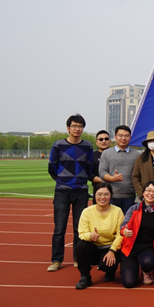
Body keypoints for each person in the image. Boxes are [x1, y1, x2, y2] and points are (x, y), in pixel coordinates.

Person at [47, 114, 94, 272]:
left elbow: (89, 168)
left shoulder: (87, 147)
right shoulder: (58, 145)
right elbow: (52, 167)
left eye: (80, 126)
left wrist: (80, 180)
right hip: (62, 191)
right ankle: (56, 260)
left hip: (81, 191)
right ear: (68, 128)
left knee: (78, 228)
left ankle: (77, 258)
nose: (77, 129)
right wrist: (62, 180)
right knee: (59, 228)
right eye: (74, 126)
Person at [74, 183, 123, 289]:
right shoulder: (87, 212)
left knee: (107, 265)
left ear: (111, 195)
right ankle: (85, 276)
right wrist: (90, 236)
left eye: (106, 194)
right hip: (93, 247)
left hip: (109, 248)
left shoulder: (117, 211)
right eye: (99, 194)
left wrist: (112, 250)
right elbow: (82, 233)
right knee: (80, 247)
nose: (102, 197)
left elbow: (121, 234)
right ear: (94, 195)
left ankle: (110, 272)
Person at [119, 181, 154, 288]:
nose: (151, 194)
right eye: (148, 190)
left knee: (148, 262)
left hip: (147, 248)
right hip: (130, 248)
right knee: (128, 283)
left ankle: (146, 271)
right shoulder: (133, 209)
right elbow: (123, 227)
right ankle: (132, 267)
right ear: (143, 193)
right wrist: (124, 231)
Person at [99, 125, 139, 215]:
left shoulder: (136, 155)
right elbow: (102, 172)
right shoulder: (106, 153)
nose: (123, 138)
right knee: (111, 224)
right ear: (115, 137)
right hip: (111, 195)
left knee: (127, 224)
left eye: (126, 136)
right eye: (120, 135)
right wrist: (112, 178)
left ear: (130, 137)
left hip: (129, 196)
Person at [132, 131, 154, 200]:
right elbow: (135, 178)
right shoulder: (141, 158)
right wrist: (142, 194)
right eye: (150, 141)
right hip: (145, 196)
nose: (152, 143)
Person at [89, 130, 110, 203]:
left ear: (110, 141)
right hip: (98, 189)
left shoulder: (116, 155)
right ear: (96, 142)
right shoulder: (91, 156)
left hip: (115, 190)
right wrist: (101, 180)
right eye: (101, 139)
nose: (104, 141)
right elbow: (88, 173)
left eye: (106, 139)